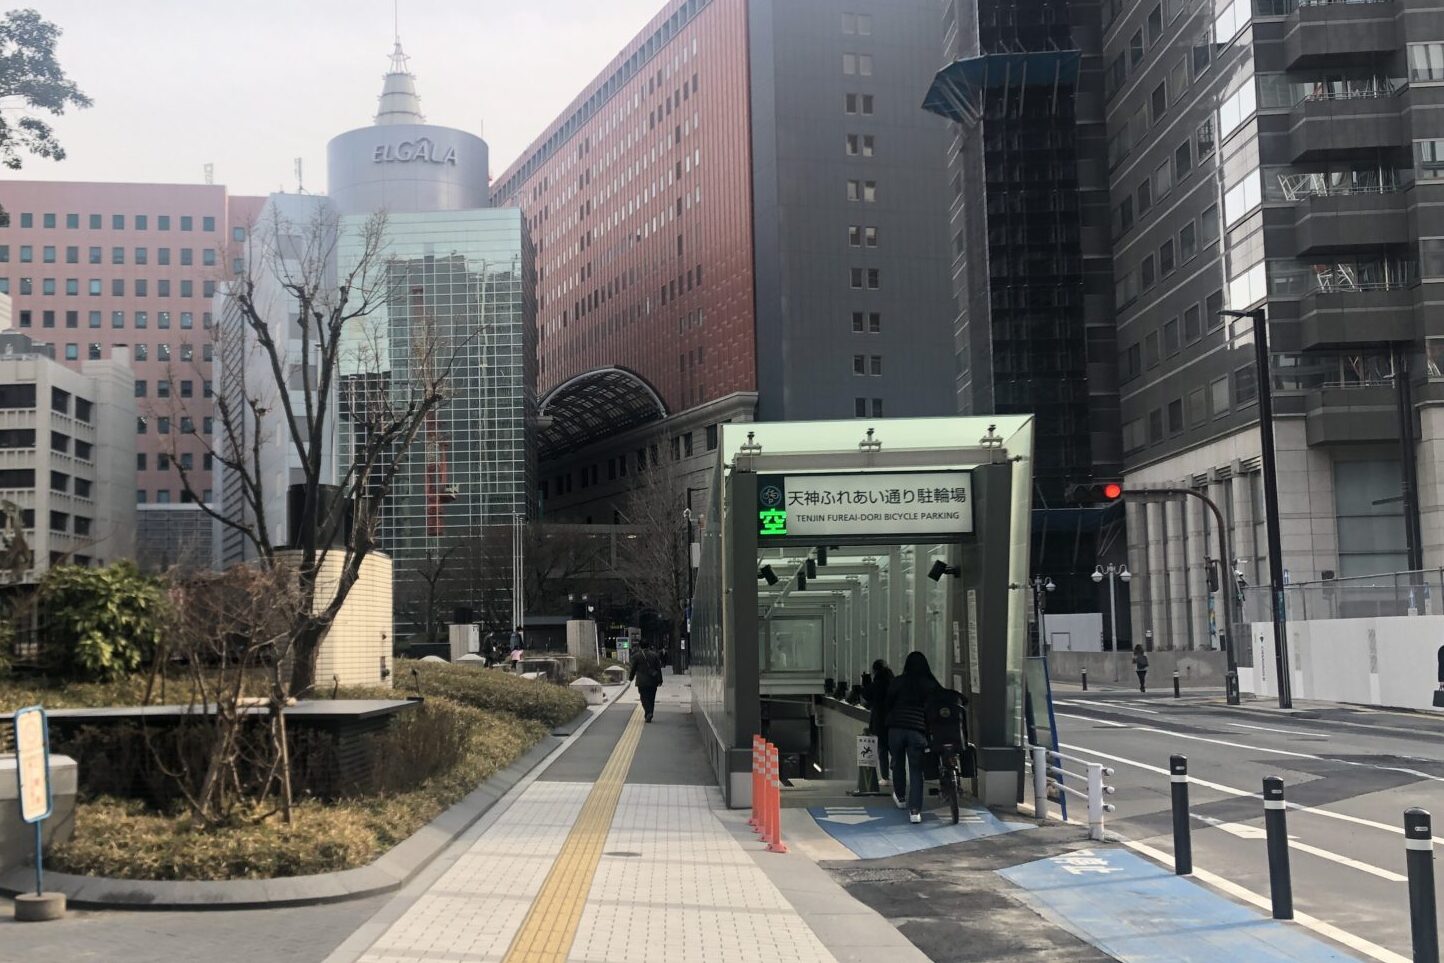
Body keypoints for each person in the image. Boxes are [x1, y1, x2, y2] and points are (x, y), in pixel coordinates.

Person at [884, 650, 940, 824]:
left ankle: (900, 797)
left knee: (898, 763)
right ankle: (915, 811)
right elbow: (939, 701)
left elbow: (887, 704)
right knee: (916, 770)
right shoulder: (930, 684)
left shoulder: (897, 682)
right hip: (917, 730)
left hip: (896, 729)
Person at [865, 659, 894, 784]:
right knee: (895, 749)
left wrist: (866, 682)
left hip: (879, 721)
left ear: (874, 671)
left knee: (882, 750)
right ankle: (896, 768)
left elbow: (866, 696)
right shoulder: (894, 682)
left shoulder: (876, 684)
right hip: (894, 720)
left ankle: (885, 777)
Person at [629, 641, 664, 722]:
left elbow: (633, 668)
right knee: (651, 698)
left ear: (640, 646)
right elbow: (658, 669)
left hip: (641, 681)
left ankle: (648, 712)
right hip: (653, 680)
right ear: (649, 646)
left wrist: (631, 677)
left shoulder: (637, 656)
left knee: (643, 697)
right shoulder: (654, 655)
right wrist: (660, 680)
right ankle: (650, 712)